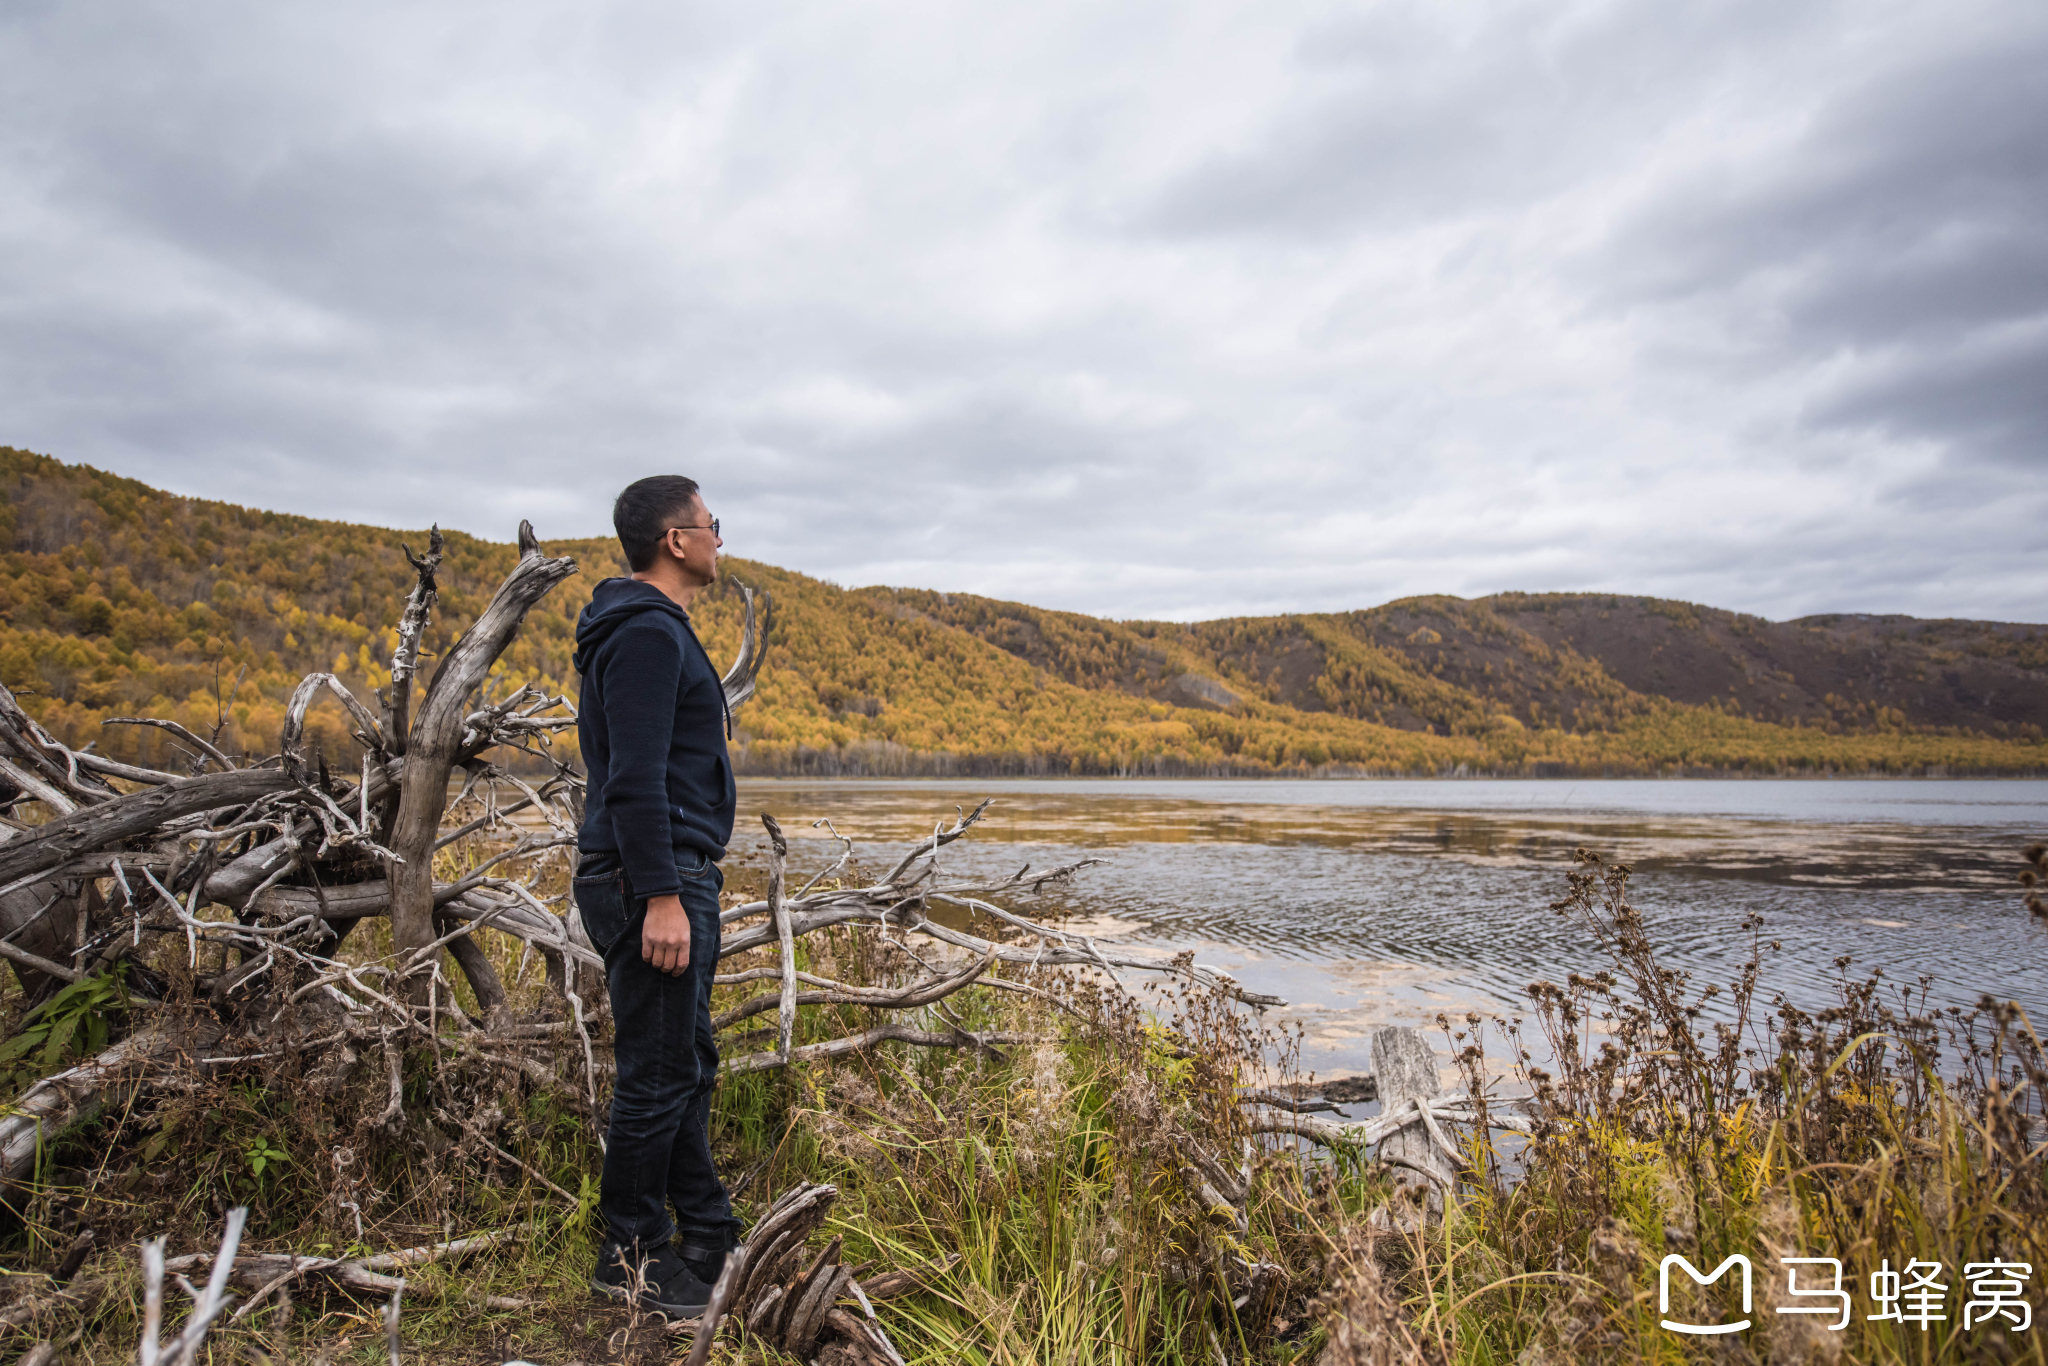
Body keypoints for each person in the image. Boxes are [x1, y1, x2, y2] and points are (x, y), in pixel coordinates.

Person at [571, 474, 742, 1316]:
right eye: (714, 524)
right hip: (653, 879)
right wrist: (663, 897)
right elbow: (634, 781)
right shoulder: (645, 634)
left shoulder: (649, 629)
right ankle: (630, 1258)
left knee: (687, 1063)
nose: (721, 537)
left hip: (663, 871)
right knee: (657, 1073)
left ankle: (707, 1230)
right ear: (677, 540)